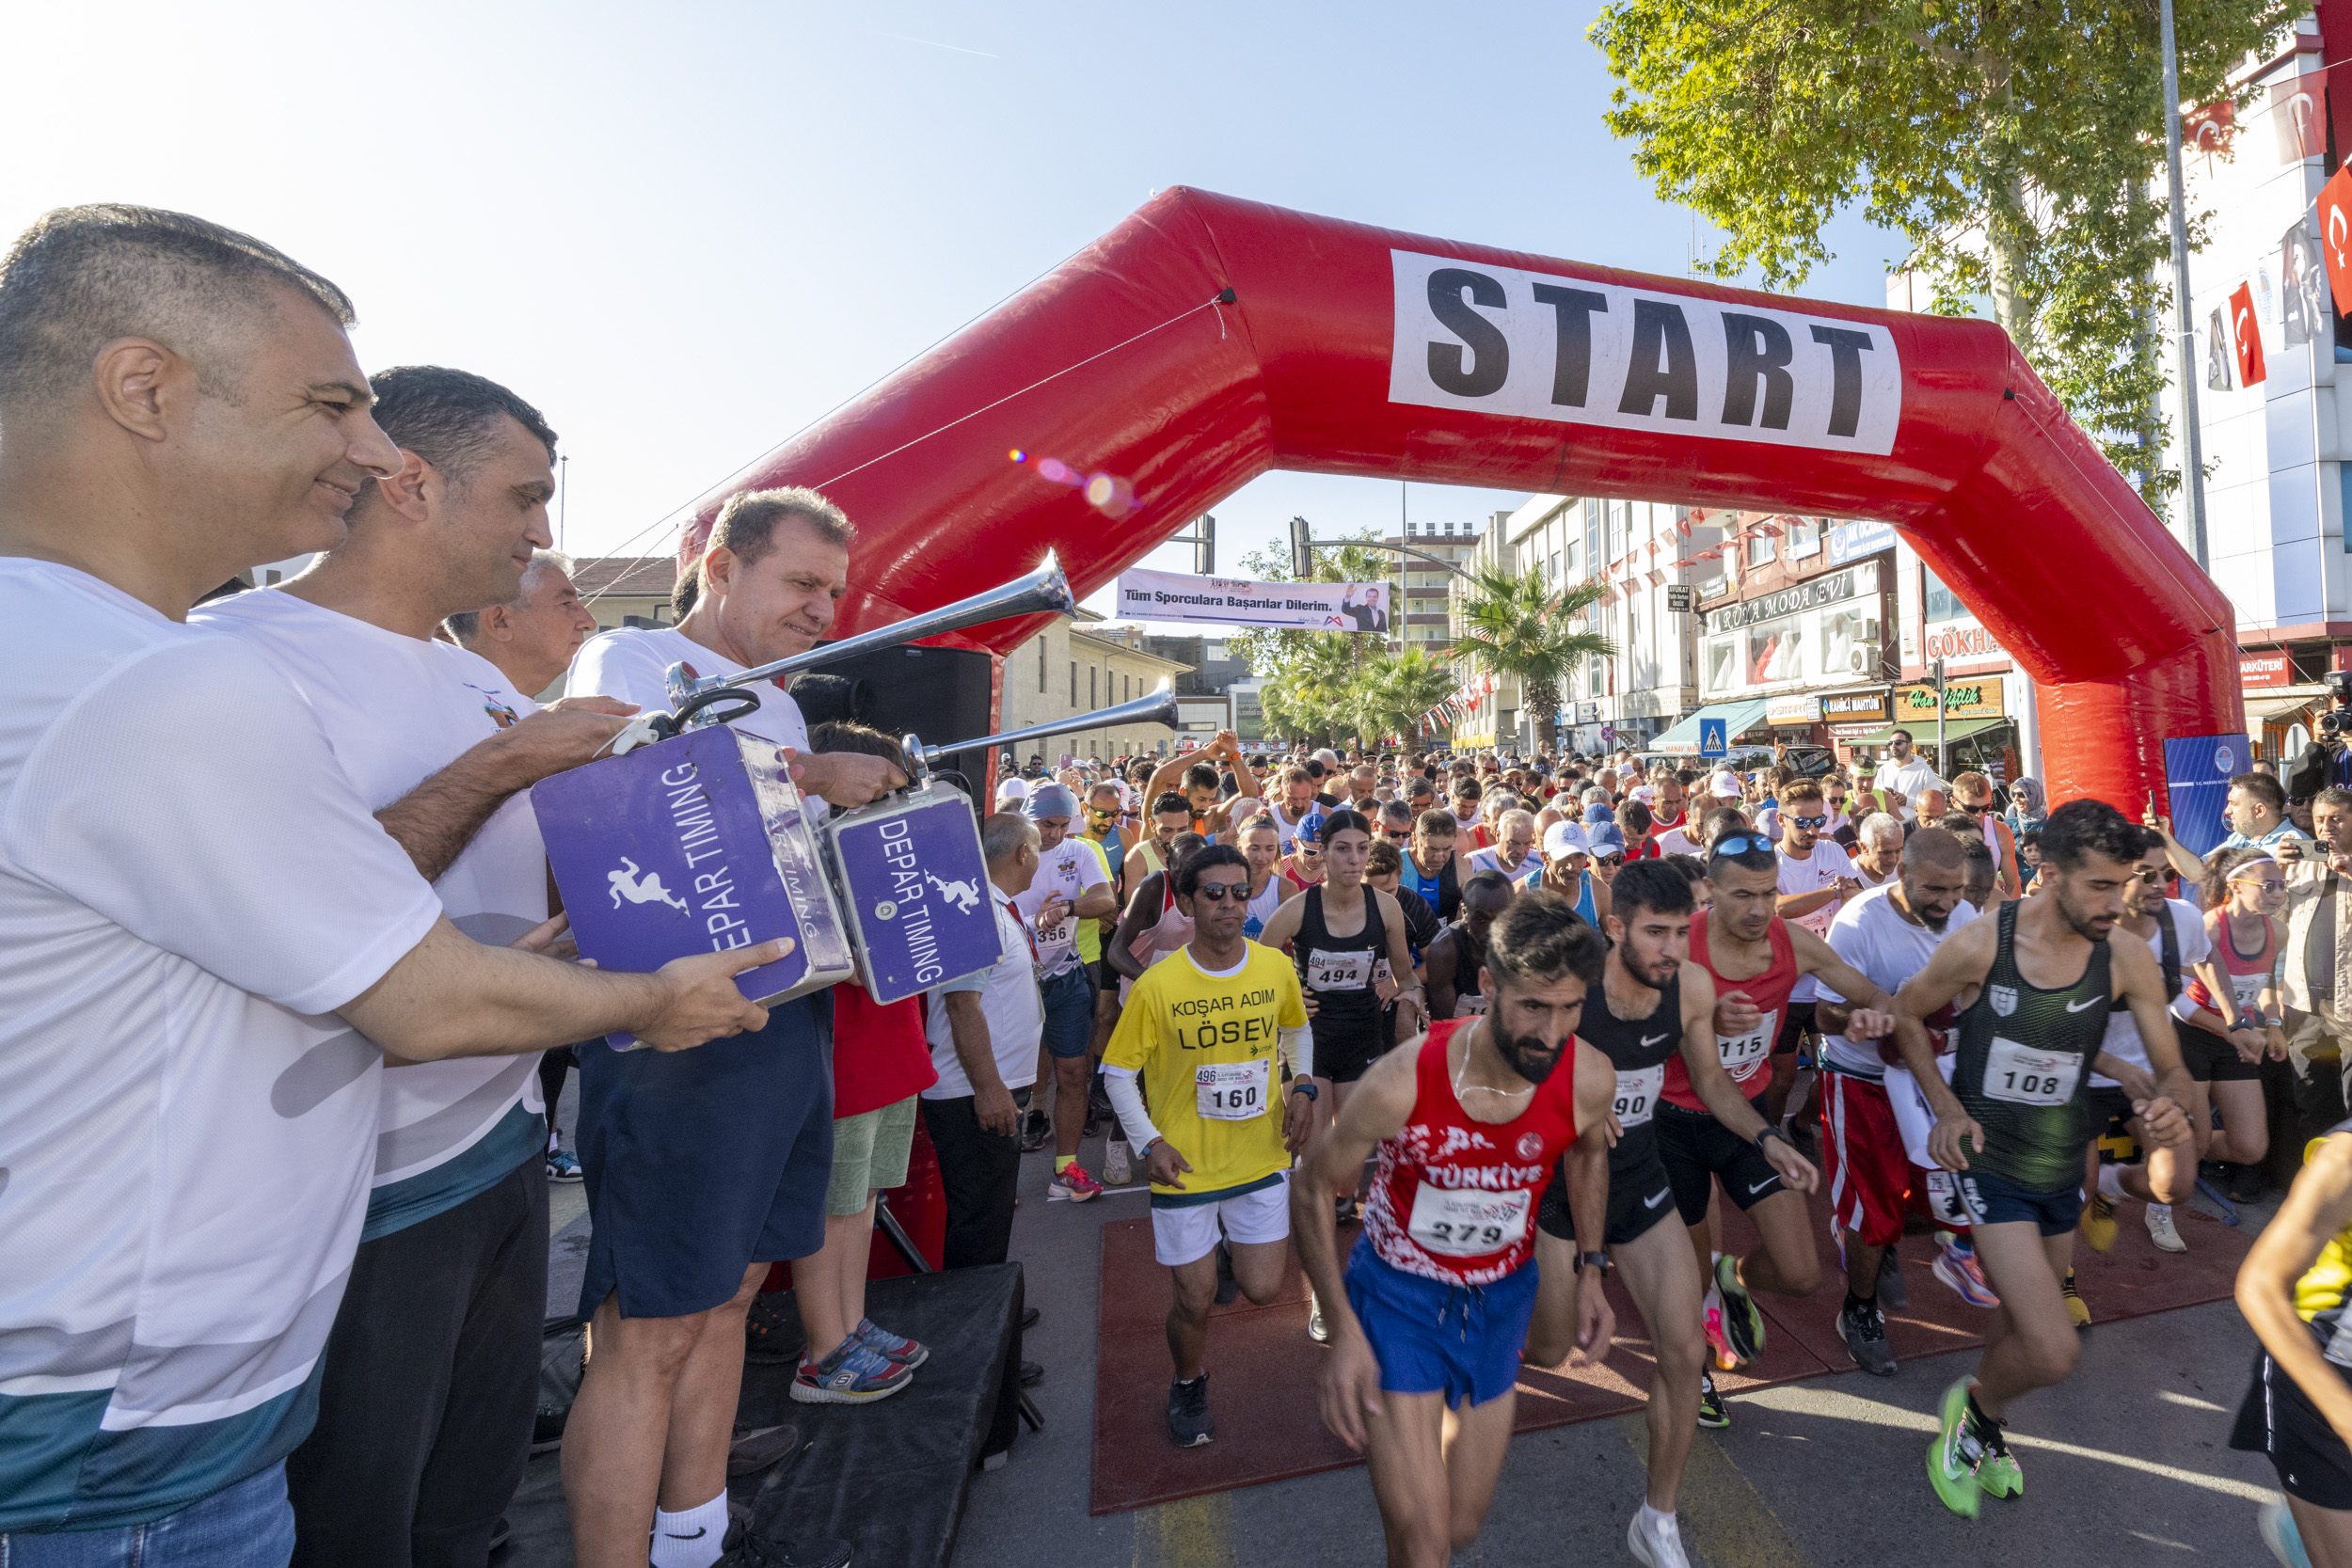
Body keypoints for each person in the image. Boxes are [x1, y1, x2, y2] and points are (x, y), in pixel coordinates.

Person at [0, 204, 780, 1563]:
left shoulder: (426, 669)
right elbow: (405, 983)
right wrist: (647, 994)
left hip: (432, 1185)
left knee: (455, 1514)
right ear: (143, 387)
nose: (363, 450)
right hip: (137, 1416)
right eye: (329, 406)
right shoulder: (182, 668)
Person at [194, 364, 662, 1563]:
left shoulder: (468, 672)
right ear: (409, 484)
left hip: (498, 1138)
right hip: (360, 1190)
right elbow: (301, 907)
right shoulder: (232, 658)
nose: (543, 530)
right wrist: (508, 769)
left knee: (469, 1505)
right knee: (361, 1522)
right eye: (524, 494)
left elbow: (483, 881)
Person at [565, 485, 898, 1568]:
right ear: (720, 565)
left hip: (779, 1021)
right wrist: (805, 775)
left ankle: (694, 1535)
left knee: (730, 1294)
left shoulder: (784, 702)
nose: (822, 610)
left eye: (834, 592)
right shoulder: (630, 659)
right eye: (802, 582)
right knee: (648, 1327)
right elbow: (637, 784)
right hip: (679, 1038)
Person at [1291, 895, 1617, 1568]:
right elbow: (1312, 1186)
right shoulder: (1403, 1078)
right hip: (1397, 1300)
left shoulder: (1588, 1074)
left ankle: (1412, 1459)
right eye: (1533, 1005)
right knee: (1425, 1543)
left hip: (1499, 1302)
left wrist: (1590, 1268)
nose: (1552, 1032)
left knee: (1460, 1523)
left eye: (1570, 1007)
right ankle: (1406, 1450)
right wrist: (1344, 1328)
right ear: (1489, 985)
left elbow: (1588, 1151)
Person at [1892, 800, 2194, 1516]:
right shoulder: (1982, 944)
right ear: (2048, 875)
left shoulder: (2122, 954)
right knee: (2055, 1349)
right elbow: (1906, 1011)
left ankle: (1987, 1428)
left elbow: (2171, 1065)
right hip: (1989, 1163)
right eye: (2100, 885)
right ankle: (1969, 1410)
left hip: (2060, 1163)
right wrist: (1949, 1107)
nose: (2116, 902)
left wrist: (2172, 1102)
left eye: (2126, 884)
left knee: (2024, 1323)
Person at [1523, 863, 1723, 1564]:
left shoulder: (1687, 988)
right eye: (1657, 932)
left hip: (1638, 1178)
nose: (1674, 947)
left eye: (1682, 931)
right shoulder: (1569, 992)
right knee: (1548, 1351)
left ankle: (1657, 1516)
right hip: (1552, 1189)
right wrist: (1571, 1104)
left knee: (1685, 1347)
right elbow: (1511, 1088)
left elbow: (1710, 1079)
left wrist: (1764, 1141)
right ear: (1615, 930)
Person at [1102, 845, 1316, 1446]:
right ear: (1188, 901)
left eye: (1240, 892)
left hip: (1259, 1157)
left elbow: (1297, 1030)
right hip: (1186, 1169)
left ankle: (1227, 1251)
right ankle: (1188, 1381)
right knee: (1194, 1301)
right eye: (1214, 893)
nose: (1229, 904)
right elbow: (1117, 1073)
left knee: (1264, 1288)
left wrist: (1303, 1088)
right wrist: (1149, 1144)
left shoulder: (1274, 967)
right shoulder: (1159, 984)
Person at [788, 723, 940, 1405]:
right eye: (880, 784)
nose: (886, 795)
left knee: (866, 1196)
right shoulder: (809, 848)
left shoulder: (880, 846)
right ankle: (823, 1351)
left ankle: (850, 1325)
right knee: (835, 1203)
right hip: (849, 1046)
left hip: (891, 1041)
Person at [446, 546, 603, 1181]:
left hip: (514, 1077)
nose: (587, 620)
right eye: (566, 601)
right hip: (435, 1094)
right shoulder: (442, 707)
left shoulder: (538, 720)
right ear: (499, 620)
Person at [1811, 828, 1985, 1374]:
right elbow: (1821, 1015)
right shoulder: (1859, 922)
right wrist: (1859, 1018)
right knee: (1872, 1208)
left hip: (1936, 1073)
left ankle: (1891, 1245)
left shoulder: (1964, 921)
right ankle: (1859, 1310)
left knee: (1935, 1193)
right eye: (1935, 888)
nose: (1948, 901)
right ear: (1902, 874)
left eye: (1956, 889)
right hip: (1859, 1077)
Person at [1258, 811, 1422, 1323]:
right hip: (1308, 1042)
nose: (1353, 859)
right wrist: (1289, 989)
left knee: (1349, 1172)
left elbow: (1407, 973)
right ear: (1322, 854)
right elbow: (1255, 969)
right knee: (1317, 1165)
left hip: (1362, 1038)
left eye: (1360, 849)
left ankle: (1335, 1205)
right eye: (1342, 849)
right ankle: (1323, 1297)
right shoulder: (1297, 909)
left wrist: (1401, 990)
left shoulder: (1387, 907)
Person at [2071, 826, 2204, 1276]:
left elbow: (2208, 958)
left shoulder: (2181, 919)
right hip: (2077, 1075)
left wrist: (2239, 1017)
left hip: (2144, 1072)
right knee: (2072, 1196)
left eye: (2165, 874)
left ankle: (2112, 1186)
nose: (2160, 885)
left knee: (2175, 1185)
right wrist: (2112, 1065)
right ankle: (2062, 1282)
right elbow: (2047, 1030)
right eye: (2146, 874)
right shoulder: (2077, 931)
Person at [2230, 1117, 2352, 1568]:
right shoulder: (2345, 1160)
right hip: (2319, 1378)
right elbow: (2260, 1285)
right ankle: (2308, 1535)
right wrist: (2344, 1415)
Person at [1008, 784, 1117, 1195]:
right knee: (1013, 1079)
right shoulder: (1007, 851)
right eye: (1044, 824)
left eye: (1061, 825)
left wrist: (1067, 908)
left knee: (1073, 1073)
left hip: (1070, 976)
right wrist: (1033, 920)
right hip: (1017, 978)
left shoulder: (1081, 852)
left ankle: (1066, 1170)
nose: (1053, 833)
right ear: (1027, 818)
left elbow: (1106, 899)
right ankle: (1005, 1180)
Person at [2178, 847, 2288, 1206]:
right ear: (2236, 885)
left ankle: (2169, 1147)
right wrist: (2234, 1028)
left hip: (2234, 1039)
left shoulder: (2279, 931)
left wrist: (2272, 1022)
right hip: (2191, 1034)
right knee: (2194, 1139)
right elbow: (2174, 994)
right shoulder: (2210, 925)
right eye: (2268, 885)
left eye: (2281, 885)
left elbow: (2265, 979)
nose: (2277, 893)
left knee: (2250, 1147)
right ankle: (2163, 1189)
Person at [1769, 779, 1859, 1127]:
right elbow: (1776, 908)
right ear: (1781, 820)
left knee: (1829, 1073)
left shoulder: (1833, 851)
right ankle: (1772, 1139)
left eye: (1818, 820)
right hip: (1786, 987)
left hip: (1825, 983)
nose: (1812, 830)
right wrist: (1832, 892)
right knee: (1783, 1079)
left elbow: (1854, 895)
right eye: (1802, 822)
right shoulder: (1771, 860)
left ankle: (1802, 1124)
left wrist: (1844, 892)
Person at [1425, 871, 1516, 1021]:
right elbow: (1444, 1025)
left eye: (1501, 920)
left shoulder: (1525, 946)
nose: (1492, 931)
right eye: (1481, 920)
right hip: (1456, 1035)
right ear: (1465, 913)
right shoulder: (1444, 951)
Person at [1951, 770, 2024, 900]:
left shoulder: (2001, 832)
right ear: (1954, 802)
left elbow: (2013, 885)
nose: (1980, 814)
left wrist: (2005, 918)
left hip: (1988, 911)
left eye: (1986, 807)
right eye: (1972, 809)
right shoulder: (1941, 832)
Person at [2226, 770, 2316, 852]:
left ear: (2259, 811)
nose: (2227, 811)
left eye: (2233, 803)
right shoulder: (2239, 837)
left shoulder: (2295, 845)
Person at [1401, 807, 1464, 922]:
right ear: (1415, 840)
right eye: (1432, 848)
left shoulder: (1459, 864)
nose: (1439, 857)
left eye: (1446, 848)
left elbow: (1476, 902)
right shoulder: (1397, 863)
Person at [1124, 790, 1194, 889]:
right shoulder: (1138, 857)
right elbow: (1135, 903)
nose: (1175, 836)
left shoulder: (1197, 851)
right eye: (1167, 830)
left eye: (1182, 829)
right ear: (1152, 825)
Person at [1872, 730, 1945, 822]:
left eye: (1898, 743)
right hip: (1889, 827)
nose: (1893, 746)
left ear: (1910, 745)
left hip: (1915, 828)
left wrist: (1907, 801)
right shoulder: (1884, 769)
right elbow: (1876, 797)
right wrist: (1889, 799)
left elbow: (1935, 801)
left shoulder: (1924, 770)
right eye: (1890, 743)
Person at [1466, 807, 1539, 882]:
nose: (1520, 851)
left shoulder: (1541, 863)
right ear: (1498, 835)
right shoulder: (1473, 863)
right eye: (1514, 843)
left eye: (1527, 844)